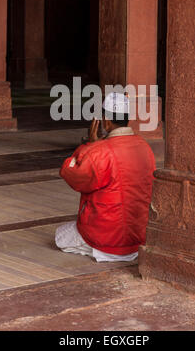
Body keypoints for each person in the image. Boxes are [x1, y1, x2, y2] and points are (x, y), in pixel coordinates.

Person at [55, 92, 156, 263]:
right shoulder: (145, 147)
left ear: (106, 121)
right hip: (139, 239)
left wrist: (88, 145)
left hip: (106, 240)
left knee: (60, 237)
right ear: (127, 119)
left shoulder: (99, 151)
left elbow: (71, 174)